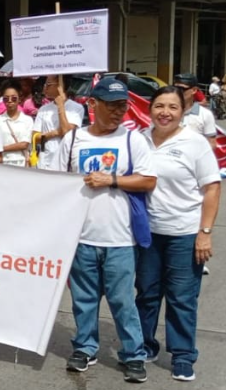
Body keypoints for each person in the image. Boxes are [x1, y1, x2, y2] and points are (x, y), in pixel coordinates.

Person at [55, 77, 156, 383]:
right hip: (81, 237)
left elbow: (148, 180)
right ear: (92, 104)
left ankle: (134, 354)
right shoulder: (73, 139)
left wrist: (111, 179)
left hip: (120, 239)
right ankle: (85, 347)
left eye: (122, 106)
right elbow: (56, 182)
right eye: (111, 105)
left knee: (122, 301)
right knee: (83, 299)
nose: (118, 112)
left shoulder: (133, 140)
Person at [136, 86, 221, 382]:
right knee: (146, 294)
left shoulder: (195, 143)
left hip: (184, 234)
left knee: (181, 298)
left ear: (183, 111)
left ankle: (183, 355)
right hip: (147, 234)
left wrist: (205, 232)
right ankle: (145, 345)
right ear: (150, 109)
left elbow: (212, 188)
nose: (165, 113)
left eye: (172, 107)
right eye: (159, 106)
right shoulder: (139, 139)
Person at [34, 75, 85, 170]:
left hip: (65, 162)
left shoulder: (76, 108)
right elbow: (35, 138)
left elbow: (67, 132)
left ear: (60, 86)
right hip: (45, 162)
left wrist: (61, 106)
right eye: (45, 84)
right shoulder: (43, 109)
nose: (45, 88)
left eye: (48, 84)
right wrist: (56, 132)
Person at [0, 81, 34, 167]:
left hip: (21, 162)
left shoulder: (27, 120)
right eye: (6, 99)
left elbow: (24, 144)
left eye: (14, 98)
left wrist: (0, 148)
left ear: (19, 99)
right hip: (2, 162)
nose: (10, 101)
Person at [173, 73, 217, 150]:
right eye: (175, 88)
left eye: (182, 89)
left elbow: (212, 143)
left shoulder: (205, 114)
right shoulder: (166, 113)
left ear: (194, 90)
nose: (177, 92)